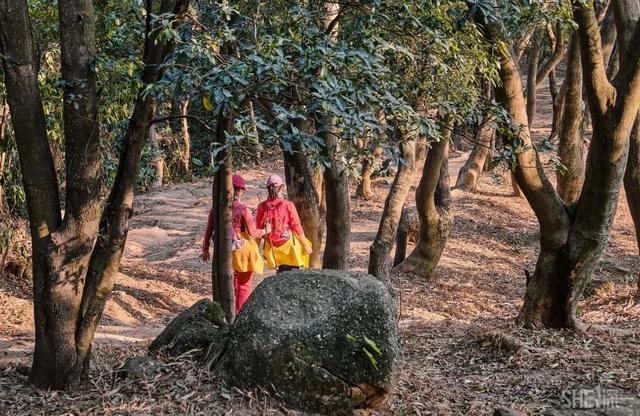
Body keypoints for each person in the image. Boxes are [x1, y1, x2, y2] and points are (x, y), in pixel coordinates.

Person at [201, 174, 264, 314]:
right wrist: (265, 230)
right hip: (242, 251)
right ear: (239, 190)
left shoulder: (216, 209)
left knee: (231, 285)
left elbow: (209, 230)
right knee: (243, 286)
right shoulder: (243, 209)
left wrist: (205, 249)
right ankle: (240, 315)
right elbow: (253, 232)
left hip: (224, 251)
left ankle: (228, 314)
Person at [256, 174, 313, 273]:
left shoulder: (262, 206)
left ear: (268, 188)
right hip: (289, 247)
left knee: (280, 274)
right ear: (282, 187)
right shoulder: (288, 205)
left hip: (272, 248)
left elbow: (259, 229)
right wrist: (305, 245)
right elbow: (296, 226)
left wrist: (256, 250)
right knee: (293, 274)